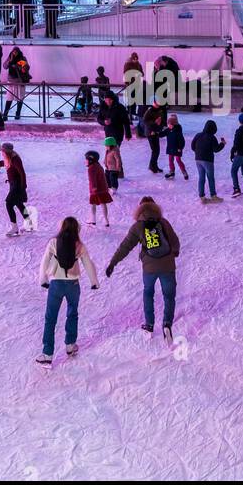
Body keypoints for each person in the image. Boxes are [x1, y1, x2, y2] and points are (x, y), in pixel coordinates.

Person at [105, 196, 180, 342]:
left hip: (149, 268)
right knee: (169, 295)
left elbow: (125, 247)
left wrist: (113, 263)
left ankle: (149, 325)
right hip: (167, 265)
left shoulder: (138, 226)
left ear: (140, 209)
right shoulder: (163, 222)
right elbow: (175, 240)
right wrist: (174, 252)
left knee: (148, 293)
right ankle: (167, 324)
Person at [36, 217, 98, 364]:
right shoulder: (80, 246)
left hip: (56, 284)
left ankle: (47, 354)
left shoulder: (53, 242)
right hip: (73, 285)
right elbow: (88, 264)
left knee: (50, 318)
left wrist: (43, 280)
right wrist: (94, 282)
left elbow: (44, 261)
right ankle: (70, 345)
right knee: (72, 313)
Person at [0, 142, 31, 237]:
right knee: (19, 204)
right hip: (13, 184)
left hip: (17, 185)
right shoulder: (8, 158)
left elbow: (22, 173)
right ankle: (29, 224)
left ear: (6, 151)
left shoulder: (15, 159)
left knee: (9, 204)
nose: (1, 151)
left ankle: (14, 227)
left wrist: (23, 187)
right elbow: (1, 163)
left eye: (2, 150)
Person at [192, 120, 226, 202]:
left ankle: (202, 197)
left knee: (201, 178)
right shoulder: (212, 137)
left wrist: (198, 152)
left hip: (198, 159)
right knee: (210, 178)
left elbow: (193, 146)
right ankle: (213, 196)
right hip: (207, 160)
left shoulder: (198, 135)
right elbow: (216, 149)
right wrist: (222, 143)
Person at [3, 45, 31, 120]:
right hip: (11, 81)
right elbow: (4, 66)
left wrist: (19, 66)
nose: (14, 53)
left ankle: (18, 113)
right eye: (13, 52)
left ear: (18, 52)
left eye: (16, 52)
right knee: (9, 98)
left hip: (20, 81)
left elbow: (27, 68)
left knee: (20, 98)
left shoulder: (22, 58)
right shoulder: (10, 57)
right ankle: (5, 114)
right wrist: (10, 60)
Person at [85, 149, 112, 226]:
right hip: (103, 188)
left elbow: (92, 179)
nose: (85, 161)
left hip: (95, 189)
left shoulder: (91, 168)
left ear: (90, 160)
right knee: (103, 204)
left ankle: (93, 220)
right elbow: (103, 177)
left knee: (93, 204)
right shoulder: (98, 165)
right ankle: (106, 221)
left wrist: (94, 188)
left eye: (86, 159)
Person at [142, 99, 167, 174]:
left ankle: (154, 166)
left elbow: (162, 120)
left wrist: (161, 125)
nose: (158, 104)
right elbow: (145, 121)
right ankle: (152, 166)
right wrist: (154, 123)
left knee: (157, 150)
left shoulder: (160, 110)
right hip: (150, 133)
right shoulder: (150, 110)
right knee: (155, 150)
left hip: (156, 132)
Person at [163, 114, 188, 179]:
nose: (168, 125)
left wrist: (180, 148)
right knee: (170, 160)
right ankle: (172, 172)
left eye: (170, 124)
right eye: (168, 124)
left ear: (174, 124)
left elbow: (182, 141)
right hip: (170, 147)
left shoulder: (178, 131)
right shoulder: (168, 129)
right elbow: (162, 134)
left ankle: (184, 171)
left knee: (178, 160)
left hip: (177, 148)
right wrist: (156, 133)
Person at [123, 50, 145, 115]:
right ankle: (130, 112)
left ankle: (133, 112)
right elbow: (126, 74)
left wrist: (139, 74)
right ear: (132, 58)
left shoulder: (139, 64)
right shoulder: (127, 64)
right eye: (134, 59)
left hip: (137, 83)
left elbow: (142, 73)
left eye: (136, 59)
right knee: (130, 99)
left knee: (135, 99)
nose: (135, 60)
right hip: (130, 84)